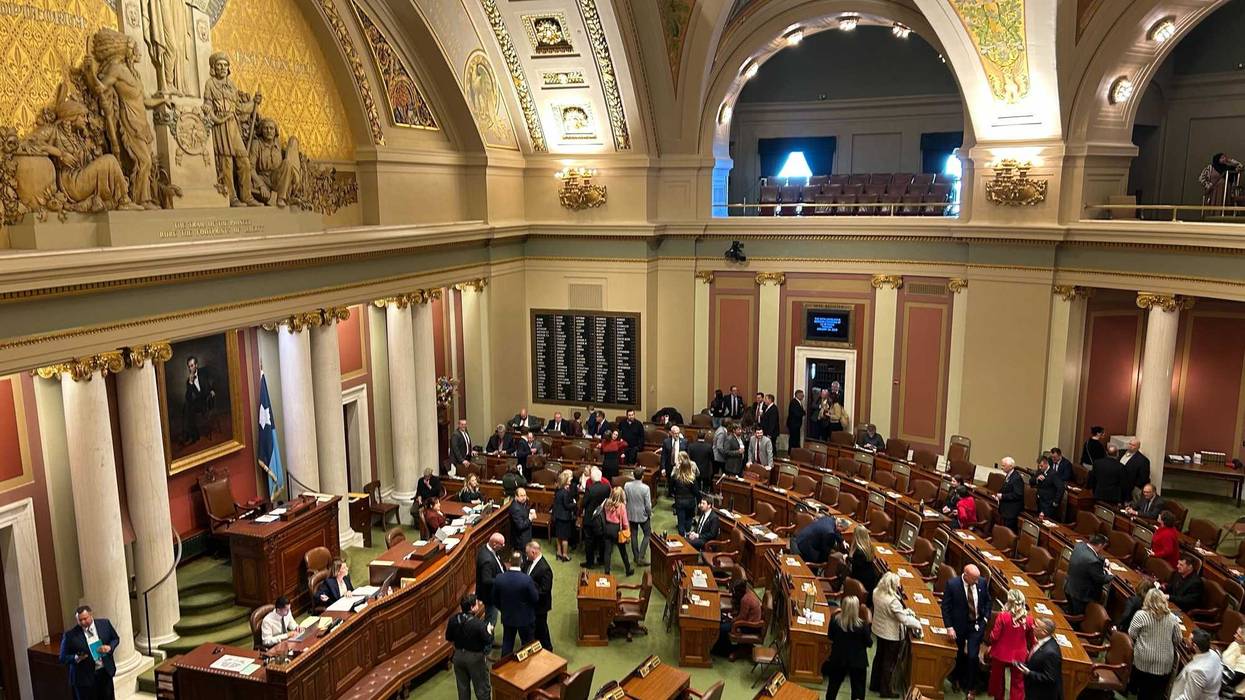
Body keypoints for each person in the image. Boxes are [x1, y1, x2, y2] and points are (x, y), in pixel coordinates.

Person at [941, 564, 991, 699]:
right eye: (974, 579)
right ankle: (956, 679)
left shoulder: (981, 582)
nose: (977, 581)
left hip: (976, 625)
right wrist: (949, 627)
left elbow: (987, 602)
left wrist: (985, 619)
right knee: (958, 654)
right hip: (959, 626)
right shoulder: (952, 584)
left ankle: (971, 687)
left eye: (978, 578)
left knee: (973, 656)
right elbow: (945, 607)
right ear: (965, 575)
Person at [872, 572, 922, 697]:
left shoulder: (876, 592)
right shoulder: (893, 601)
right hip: (890, 635)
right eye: (898, 585)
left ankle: (874, 684)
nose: (899, 587)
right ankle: (886, 691)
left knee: (879, 657)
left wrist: (904, 611)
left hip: (879, 629)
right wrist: (918, 623)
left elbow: (890, 613)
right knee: (889, 663)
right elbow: (903, 620)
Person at [1127, 587, 1183, 700]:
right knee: (1156, 693)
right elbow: (1178, 639)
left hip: (1144, 658)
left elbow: (1132, 633)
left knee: (1143, 691)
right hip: (1164, 662)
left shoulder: (1141, 615)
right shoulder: (1172, 618)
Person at [60, 605, 121, 700]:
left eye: (85, 618)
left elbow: (115, 639)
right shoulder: (70, 636)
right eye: (80, 620)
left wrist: (109, 647)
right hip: (84, 679)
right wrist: (76, 658)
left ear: (91, 615)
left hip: (104, 673)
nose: (83, 622)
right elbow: (62, 658)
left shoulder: (104, 624)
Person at [987, 590, 1034, 700]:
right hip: (1019, 656)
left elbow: (994, 636)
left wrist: (990, 642)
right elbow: (1032, 641)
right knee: (1017, 684)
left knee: (998, 680)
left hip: (1000, 654)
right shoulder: (1029, 619)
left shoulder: (1003, 616)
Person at [445, 594, 493, 700]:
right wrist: (489, 630)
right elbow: (488, 640)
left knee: (463, 690)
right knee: (482, 689)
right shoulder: (479, 624)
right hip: (475, 659)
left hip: (458, 657)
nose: (478, 604)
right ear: (472, 607)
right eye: (476, 603)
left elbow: (448, 637)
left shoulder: (453, 620)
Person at [825, 594, 873, 700]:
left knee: (833, 687)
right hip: (857, 662)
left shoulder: (834, 620)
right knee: (858, 690)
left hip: (838, 659)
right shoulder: (862, 626)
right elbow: (869, 643)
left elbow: (830, 636)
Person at [493, 552, 538, 656]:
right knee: (527, 645)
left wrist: (503, 609)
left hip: (508, 617)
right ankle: (528, 669)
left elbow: (494, 599)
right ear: (521, 562)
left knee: (507, 644)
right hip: (525, 618)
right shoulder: (526, 579)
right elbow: (535, 598)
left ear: (509, 562)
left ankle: (503, 669)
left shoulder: (499, 578)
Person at [1064, 534, 1112, 615]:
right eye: (1103, 546)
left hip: (1069, 588)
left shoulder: (1079, 546)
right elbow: (1101, 579)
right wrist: (1111, 576)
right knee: (1077, 618)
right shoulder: (1093, 561)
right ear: (1100, 545)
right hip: (1081, 595)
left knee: (1071, 612)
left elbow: (1087, 557)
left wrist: (1102, 559)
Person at [713, 578, 762, 657]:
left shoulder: (745, 599)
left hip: (749, 626)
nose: (733, 594)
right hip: (747, 621)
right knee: (723, 620)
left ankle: (723, 651)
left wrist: (731, 620)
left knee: (723, 628)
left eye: (734, 592)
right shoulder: (748, 593)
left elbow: (742, 617)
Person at [1170, 628, 1222, 699]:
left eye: (1188, 640)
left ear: (1195, 646)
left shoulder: (1198, 671)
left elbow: (1188, 698)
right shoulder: (1214, 654)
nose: (1186, 642)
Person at [1020, 618, 1063, 700]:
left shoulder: (1051, 653)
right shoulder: (1042, 641)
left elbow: (1050, 678)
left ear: (1044, 632)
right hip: (1032, 690)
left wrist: (1029, 672)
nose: (1032, 627)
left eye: (1036, 626)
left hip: (1041, 694)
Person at [523, 542, 554, 651]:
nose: (526, 556)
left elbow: (545, 590)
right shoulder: (529, 562)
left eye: (527, 553)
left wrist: (529, 592)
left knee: (541, 630)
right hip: (531, 605)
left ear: (533, 552)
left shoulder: (545, 568)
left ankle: (548, 649)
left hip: (540, 606)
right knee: (534, 629)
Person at [581, 467, 612, 568]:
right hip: (601, 517)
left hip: (590, 519)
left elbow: (584, 503)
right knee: (601, 539)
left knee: (589, 541)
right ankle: (601, 559)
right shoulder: (607, 487)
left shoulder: (590, 489)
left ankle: (590, 563)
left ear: (591, 478)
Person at [624, 467, 653, 566]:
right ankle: (641, 557)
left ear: (633, 475)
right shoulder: (645, 488)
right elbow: (648, 505)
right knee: (647, 534)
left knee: (634, 535)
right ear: (643, 476)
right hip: (643, 515)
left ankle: (636, 557)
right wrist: (649, 514)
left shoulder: (627, 485)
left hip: (631, 514)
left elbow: (625, 499)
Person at [602, 487, 633, 576]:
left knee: (607, 551)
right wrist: (627, 531)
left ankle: (607, 572)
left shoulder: (606, 503)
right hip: (616, 529)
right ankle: (628, 569)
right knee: (623, 550)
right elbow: (625, 522)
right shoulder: (621, 506)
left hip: (607, 527)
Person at [475, 533, 506, 625]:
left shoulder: (487, 548)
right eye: (502, 544)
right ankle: (487, 638)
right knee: (491, 620)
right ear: (494, 544)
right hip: (490, 596)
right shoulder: (487, 560)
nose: (503, 546)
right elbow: (486, 580)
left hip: (495, 592)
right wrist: (502, 579)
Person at [552, 470, 577, 562]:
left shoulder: (558, 490)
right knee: (565, 538)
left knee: (559, 536)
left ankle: (558, 552)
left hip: (558, 516)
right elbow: (567, 505)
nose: (571, 479)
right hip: (565, 518)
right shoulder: (565, 492)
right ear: (565, 480)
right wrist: (574, 504)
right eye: (569, 478)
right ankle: (565, 555)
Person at [994, 457, 1025, 531]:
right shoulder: (1009, 475)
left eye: (1004, 466)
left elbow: (1017, 494)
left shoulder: (1016, 478)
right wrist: (998, 495)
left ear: (1011, 466)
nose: (1001, 467)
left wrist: (1002, 496)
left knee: (1008, 531)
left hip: (1011, 511)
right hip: (1005, 508)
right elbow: (1005, 489)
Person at [1030, 454, 1064, 519]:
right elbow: (1031, 481)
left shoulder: (1053, 474)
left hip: (1048, 503)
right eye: (1039, 466)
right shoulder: (1039, 471)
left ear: (1046, 464)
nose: (1040, 468)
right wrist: (1037, 479)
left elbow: (1061, 488)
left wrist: (1056, 501)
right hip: (1040, 502)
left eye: (1041, 466)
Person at [848, 525, 879, 597]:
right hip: (870, 579)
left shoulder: (859, 552)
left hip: (861, 581)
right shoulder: (869, 547)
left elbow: (854, 566)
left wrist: (847, 557)